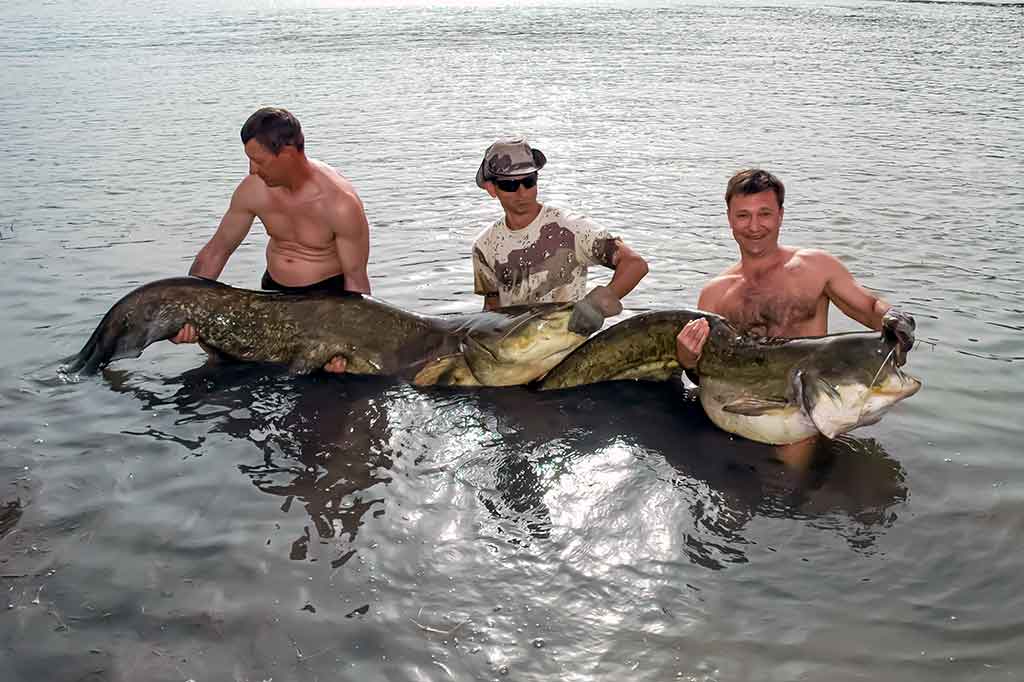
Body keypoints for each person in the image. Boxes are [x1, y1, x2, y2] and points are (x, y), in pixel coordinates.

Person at [171, 107, 371, 373]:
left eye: (259, 161)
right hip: (271, 299)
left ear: (287, 153)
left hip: (324, 308)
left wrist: (349, 347)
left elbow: (356, 282)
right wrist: (184, 313)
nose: (252, 170)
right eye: (249, 160)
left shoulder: (340, 204)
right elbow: (216, 251)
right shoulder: (253, 189)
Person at [675, 168, 915, 373]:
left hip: (812, 397)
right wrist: (687, 358)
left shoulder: (817, 267)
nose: (754, 226)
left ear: (780, 215)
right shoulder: (714, 295)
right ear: (729, 218)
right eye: (743, 215)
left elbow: (870, 309)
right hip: (745, 405)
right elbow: (706, 371)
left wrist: (894, 318)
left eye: (764, 214)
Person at [471, 139, 649, 312]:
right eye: (509, 185)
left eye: (529, 181)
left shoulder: (572, 228)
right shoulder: (484, 245)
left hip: (570, 331)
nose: (522, 192)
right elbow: (492, 308)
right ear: (491, 188)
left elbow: (635, 264)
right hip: (515, 333)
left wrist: (597, 305)